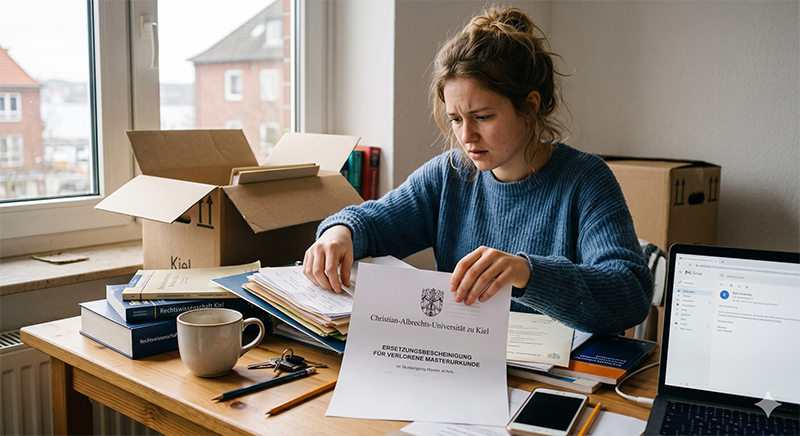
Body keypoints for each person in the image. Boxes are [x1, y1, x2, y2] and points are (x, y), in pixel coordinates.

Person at [303, 6, 653, 334]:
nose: (466, 136)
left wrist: (527, 273)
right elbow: (373, 224)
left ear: (529, 107)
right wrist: (339, 232)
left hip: (559, 379)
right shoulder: (449, 175)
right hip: (464, 368)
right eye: (456, 119)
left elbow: (631, 293)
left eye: (483, 117)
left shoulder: (585, 180)